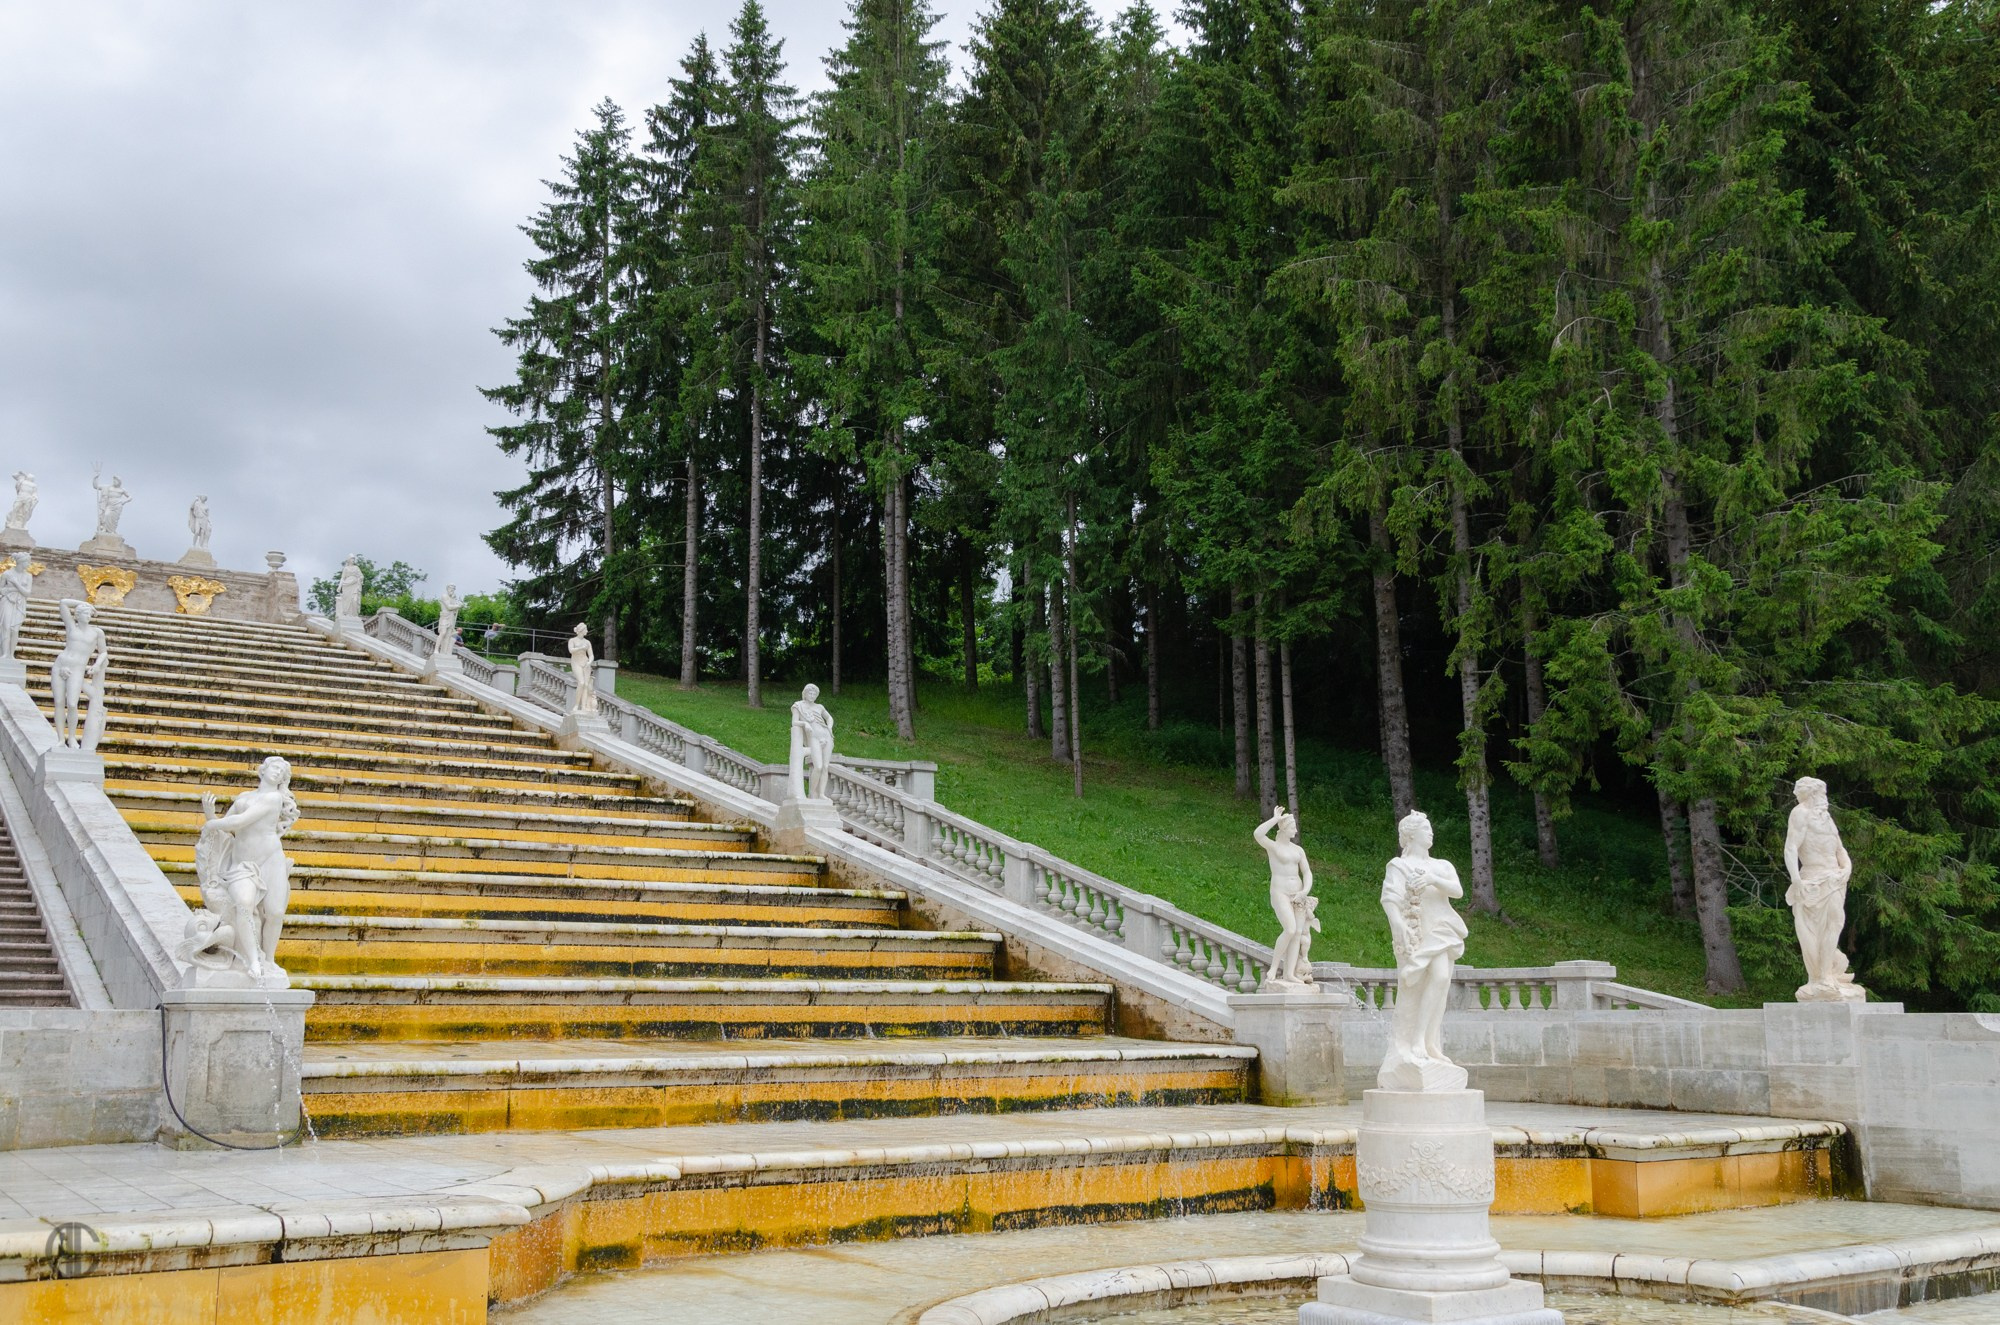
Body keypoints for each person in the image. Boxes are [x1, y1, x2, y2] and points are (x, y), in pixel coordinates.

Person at [183, 757, 299, 980]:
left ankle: (269, 960)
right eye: (274, 767)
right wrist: (210, 815)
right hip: (242, 864)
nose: (278, 773)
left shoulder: (274, 798)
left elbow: (240, 822)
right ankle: (253, 961)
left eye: (282, 772)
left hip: (271, 859)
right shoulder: (243, 798)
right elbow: (226, 830)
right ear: (262, 770)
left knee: (275, 913)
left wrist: (212, 822)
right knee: (244, 905)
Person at [1378, 809, 1469, 1091]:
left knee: (1441, 979)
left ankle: (1427, 1041)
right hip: (1417, 931)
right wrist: (1397, 926)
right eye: (1426, 829)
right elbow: (1390, 898)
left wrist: (1431, 880)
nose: (1431, 833)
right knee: (1417, 986)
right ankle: (1414, 1043)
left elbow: (1457, 891)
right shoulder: (1398, 866)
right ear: (1411, 835)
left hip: (1442, 927)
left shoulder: (1442, 865)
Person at [1784, 777, 1867, 1002]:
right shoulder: (1800, 813)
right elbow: (1791, 847)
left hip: (1835, 878)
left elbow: (1840, 849)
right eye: (1822, 794)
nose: (1825, 799)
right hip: (1813, 878)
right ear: (1812, 794)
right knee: (1812, 930)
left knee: (1835, 922)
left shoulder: (1827, 818)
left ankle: (1827, 975)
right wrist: (1796, 879)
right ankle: (1819, 978)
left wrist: (1847, 868)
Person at [1253, 808, 1319, 989]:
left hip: (1298, 894)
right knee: (1289, 929)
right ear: (1283, 828)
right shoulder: (1273, 847)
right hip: (1280, 892)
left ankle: (1289, 973)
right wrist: (1275, 819)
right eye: (1293, 828)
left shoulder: (1298, 850)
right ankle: (1274, 969)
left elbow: (1307, 872)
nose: (1296, 831)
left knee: (1297, 933)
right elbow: (1258, 834)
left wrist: (1305, 891)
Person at [51, 598, 109, 749]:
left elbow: (103, 652)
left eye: (89, 614)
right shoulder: (71, 627)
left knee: (71, 704)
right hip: (60, 665)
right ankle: (60, 739)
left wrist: (96, 665)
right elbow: (63, 602)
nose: (88, 616)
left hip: (77, 669)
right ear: (77, 615)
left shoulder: (97, 632)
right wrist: (86, 603)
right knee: (58, 703)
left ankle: (71, 737)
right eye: (85, 613)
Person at [788, 683, 835, 800]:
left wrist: (829, 727)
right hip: (813, 737)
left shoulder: (819, 707)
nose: (812, 695)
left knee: (825, 767)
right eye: (810, 692)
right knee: (818, 766)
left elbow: (829, 718)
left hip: (827, 736)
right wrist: (805, 723)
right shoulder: (798, 706)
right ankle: (812, 793)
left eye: (814, 693)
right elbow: (794, 722)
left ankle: (821, 794)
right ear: (805, 693)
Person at [567, 623, 598, 715]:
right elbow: (571, 650)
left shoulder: (587, 642)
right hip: (576, 662)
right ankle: (576, 705)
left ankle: (583, 706)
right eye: (586, 630)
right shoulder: (572, 640)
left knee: (586, 685)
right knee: (581, 683)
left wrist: (589, 662)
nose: (587, 631)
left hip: (585, 662)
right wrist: (581, 648)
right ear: (581, 630)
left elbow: (591, 655)